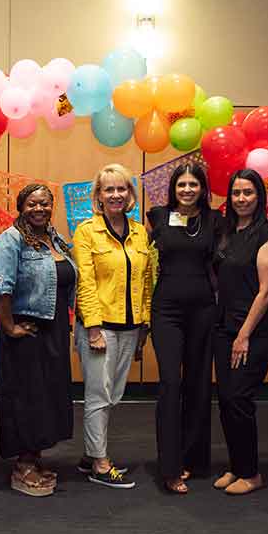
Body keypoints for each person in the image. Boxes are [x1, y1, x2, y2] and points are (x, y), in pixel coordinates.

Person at [0, 183, 78, 497]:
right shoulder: (10, 240)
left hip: (52, 331)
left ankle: (34, 458)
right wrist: (10, 327)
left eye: (45, 204)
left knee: (46, 397)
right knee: (26, 398)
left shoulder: (52, 238)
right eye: (32, 204)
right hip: (26, 331)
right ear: (21, 207)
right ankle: (22, 465)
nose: (39, 209)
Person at [72, 164, 151, 489]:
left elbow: (146, 280)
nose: (116, 195)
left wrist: (144, 325)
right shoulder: (86, 231)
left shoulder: (139, 232)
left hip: (130, 327)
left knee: (113, 393)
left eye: (122, 189)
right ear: (98, 196)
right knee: (98, 394)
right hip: (99, 326)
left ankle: (92, 453)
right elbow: (85, 283)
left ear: (130, 195)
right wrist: (92, 327)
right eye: (109, 189)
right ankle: (100, 465)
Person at [147, 163, 219, 495]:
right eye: (182, 185)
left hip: (204, 310)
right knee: (170, 383)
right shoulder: (158, 216)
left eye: (194, 184)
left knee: (198, 384)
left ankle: (195, 459)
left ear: (203, 189)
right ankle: (170, 467)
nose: (187, 190)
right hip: (167, 311)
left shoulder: (215, 221)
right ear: (173, 189)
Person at [211, 169, 268, 495]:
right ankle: (237, 465)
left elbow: (266, 292)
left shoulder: (266, 236)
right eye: (236, 193)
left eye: (248, 193)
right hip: (225, 328)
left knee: (240, 398)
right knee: (226, 400)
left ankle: (252, 473)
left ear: (259, 197)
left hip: (253, 332)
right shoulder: (227, 232)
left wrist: (243, 335)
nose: (241, 199)